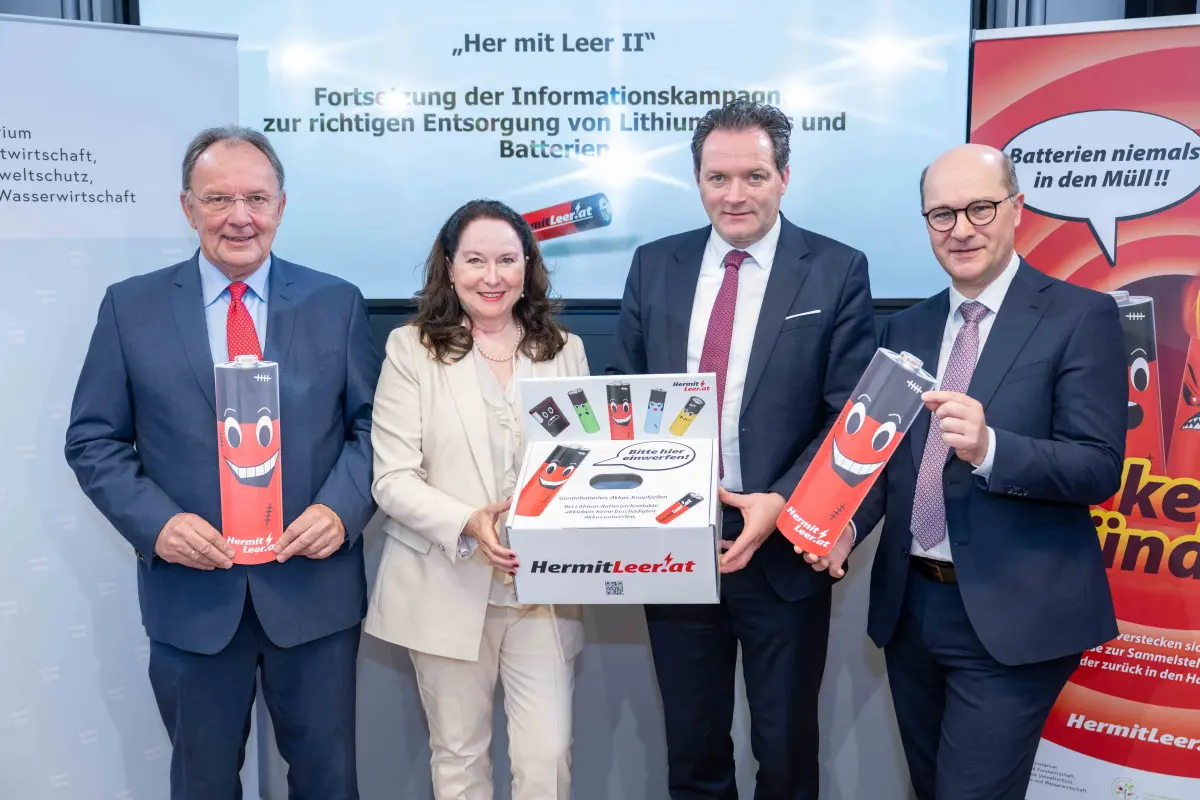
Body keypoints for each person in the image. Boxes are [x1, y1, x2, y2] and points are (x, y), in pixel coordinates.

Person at [64, 126, 379, 799]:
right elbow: (93, 440)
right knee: (202, 785)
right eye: (218, 199)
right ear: (188, 207)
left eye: (256, 199)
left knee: (329, 783)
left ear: (281, 207)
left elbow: (374, 429)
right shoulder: (131, 307)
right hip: (193, 597)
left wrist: (340, 510)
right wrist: (159, 525)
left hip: (313, 594)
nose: (240, 216)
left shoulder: (337, 303)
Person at [808, 143, 1125, 799]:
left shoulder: (1079, 316)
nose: (961, 229)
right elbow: (884, 460)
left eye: (980, 208)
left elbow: (1098, 467)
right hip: (911, 610)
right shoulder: (907, 327)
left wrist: (991, 448)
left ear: (1017, 209)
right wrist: (845, 528)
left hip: (1015, 612)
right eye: (942, 214)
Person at [609, 99, 876, 798]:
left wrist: (780, 500)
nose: (735, 195)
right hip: (674, 546)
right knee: (693, 752)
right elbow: (626, 397)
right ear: (697, 180)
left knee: (785, 755)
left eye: (753, 176)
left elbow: (847, 413)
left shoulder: (836, 269)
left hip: (782, 549)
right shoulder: (654, 265)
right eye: (717, 177)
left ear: (784, 176)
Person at [365, 199, 588, 799]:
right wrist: (468, 520)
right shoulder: (411, 349)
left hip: (543, 593)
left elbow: (583, 463)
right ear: (449, 266)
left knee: (548, 758)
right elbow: (392, 478)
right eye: (475, 260)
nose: (493, 277)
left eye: (507, 260)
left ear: (528, 266)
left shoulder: (564, 349)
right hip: (445, 582)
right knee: (460, 760)